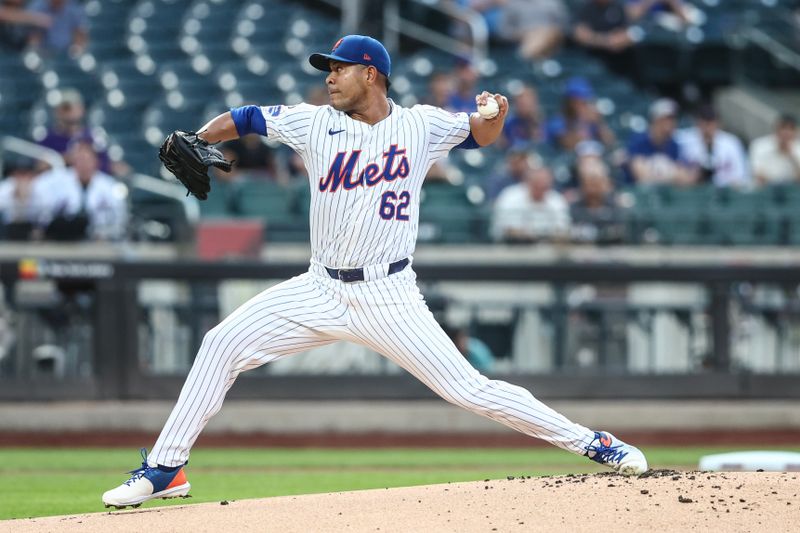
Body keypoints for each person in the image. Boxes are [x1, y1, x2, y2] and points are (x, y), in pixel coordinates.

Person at [101, 34, 647, 509]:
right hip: (319, 287)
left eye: (339, 68)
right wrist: (200, 135)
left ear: (372, 74)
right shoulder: (315, 123)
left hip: (389, 294)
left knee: (470, 390)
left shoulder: (420, 125)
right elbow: (247, 117)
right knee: (221, 344)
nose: (330, 78)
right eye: (328, 69)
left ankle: (595, 443)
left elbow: (480, 133)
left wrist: (495, 112)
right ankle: (166, 468)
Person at [34, 139, 127, 241]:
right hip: (62, 238)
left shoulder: (109, 185)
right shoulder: (56, 180)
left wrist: (107, 234)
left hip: (100, 240)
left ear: (96, 162)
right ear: (74, 161)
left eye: (88, 159)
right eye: (80, 159)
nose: (84, 164)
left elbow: (119, 217)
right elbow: (38, 191)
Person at [36, 89, 114, 174]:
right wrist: (64, 159)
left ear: (82, 109)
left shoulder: (93, 137)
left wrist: (85, 160)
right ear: (57, 111)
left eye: (75, 107)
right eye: (66, 108)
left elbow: (105, 167)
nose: (71, 111)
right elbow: (40, 168)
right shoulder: (48, 139)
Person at [491, 165, 571, 242]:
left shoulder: (557, 200)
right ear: (528, 182)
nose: (541, 187)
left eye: (545, 185)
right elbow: (507, 230)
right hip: (511, 249)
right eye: (537, 183)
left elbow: (563, 231)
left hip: (547, 249)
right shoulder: (510, 196)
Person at [625, 98, 695, 186]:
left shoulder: (674, 145)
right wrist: (671, 174)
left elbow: (685, 178)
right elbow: (642, 177)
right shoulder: (638, 140)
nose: (671, 123)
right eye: (666, 119)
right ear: (655, 120)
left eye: (673, 119)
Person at [677, 104, 750, 188]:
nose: (708, 128)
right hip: (694, 191)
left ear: (718, 123)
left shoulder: (731, 143)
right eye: (704, 123)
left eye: (711, 123)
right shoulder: (684, 139)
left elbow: (741, 177)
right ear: (698, 123)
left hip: (724, 193)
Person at [546, 77, 616, 151]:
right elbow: (569, 145)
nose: (584, 105)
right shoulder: (557, 122)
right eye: (581, 102)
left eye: (586, 101)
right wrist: (582, 123)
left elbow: (610, 142)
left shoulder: (591, 122)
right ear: (570, 102)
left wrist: (599, 123)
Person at [570, 158, 626, 244]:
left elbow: (619, 232)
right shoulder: (574, 208)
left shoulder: (614, 207)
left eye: (595, 184)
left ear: (603, 185)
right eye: (588, 184)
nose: (592, 190)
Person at [573, 0, 635, 75]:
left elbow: (625, 36)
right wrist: (606, 40)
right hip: (590, 59)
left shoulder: (618, 6)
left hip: (617, 61)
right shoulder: (586, 7)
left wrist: (595, 38)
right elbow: (581, 35)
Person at [749, 114, 800, 186]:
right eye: (783, 128)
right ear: (775, 129)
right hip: (766, 190)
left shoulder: (798, 148)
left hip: (792, 192)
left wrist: (791, 155)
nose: (786, 132)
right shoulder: (760, 145)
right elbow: (757, 175)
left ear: (796, 131)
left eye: (791, 129)